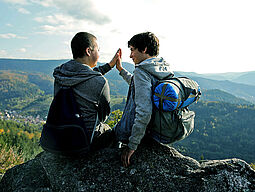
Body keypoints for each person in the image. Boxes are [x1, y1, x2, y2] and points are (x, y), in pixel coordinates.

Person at [114, 32, 174, 167]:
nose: (130, 55)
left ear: (144, 49)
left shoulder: (142, 71)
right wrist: (121, 70)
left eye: (132, 50)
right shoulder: (161, 68)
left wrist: (132, 145)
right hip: (155, 130)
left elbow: (144, 111)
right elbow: (139, 87)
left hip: (132, 133)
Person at [53, 32, 120, 151]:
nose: (99, 54)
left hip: (60, 136)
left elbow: (83, 75)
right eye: (98, 50)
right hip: (84, 141)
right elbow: (103, 115)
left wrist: (109, 66)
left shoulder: (60, 73)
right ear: (89, 51)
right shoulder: (100, 82)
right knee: (113, 132)